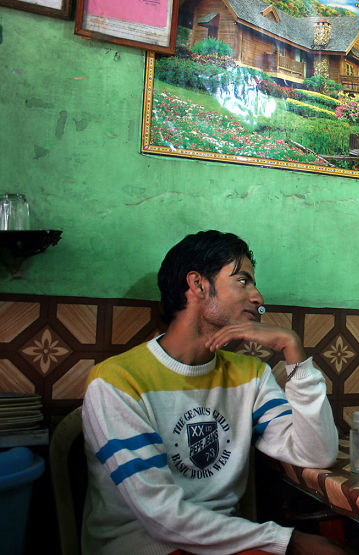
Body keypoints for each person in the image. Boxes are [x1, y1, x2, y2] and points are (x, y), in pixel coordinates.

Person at [80, 230, 345, 554]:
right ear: (198, 285)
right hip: (145, 545)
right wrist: (289, 541)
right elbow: (161, 517)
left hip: (226, 542)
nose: (258, 297)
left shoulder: (249, 375)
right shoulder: (117, 381)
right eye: (243, 281)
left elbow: (316, 454)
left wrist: (293, 350)